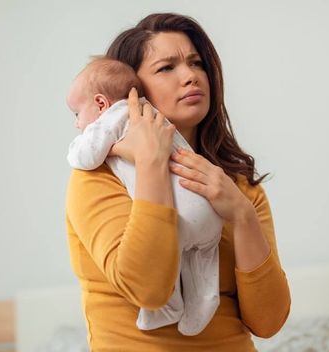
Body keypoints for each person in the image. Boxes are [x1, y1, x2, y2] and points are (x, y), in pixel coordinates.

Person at [65, 13, 291, 351]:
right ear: (132, 90)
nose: (190, 76)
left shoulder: (241, 189)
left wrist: (242, 215)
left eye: (197, 63)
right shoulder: (98, 177)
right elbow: (149, 290)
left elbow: (269, 322)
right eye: (166, 68)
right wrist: (151, 161)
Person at [65, 56, 223, 336]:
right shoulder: (153, 115)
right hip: (207, 208)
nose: (78, 124)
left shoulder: (117, 115)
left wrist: (107, 148)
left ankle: (168, 307)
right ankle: (203, 299)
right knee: (202, 260)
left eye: (77, 114)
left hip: (178, 216)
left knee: (168, 253)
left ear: (101, 103)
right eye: (167, 67)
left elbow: (86, 156)